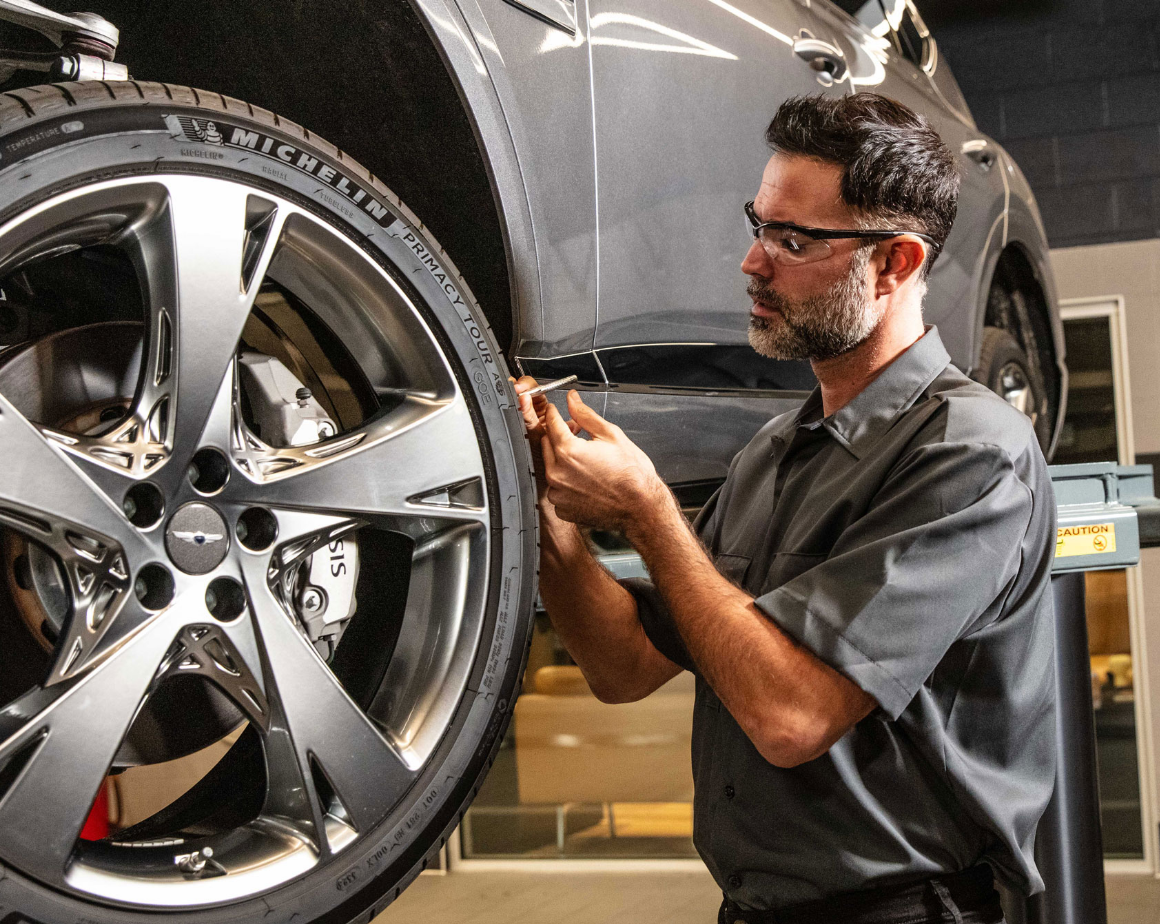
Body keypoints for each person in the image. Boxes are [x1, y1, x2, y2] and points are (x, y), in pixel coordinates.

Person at [515, 93, 1056, 924]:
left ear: (897, 263)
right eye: (758, 224)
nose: (751, 262)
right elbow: (624, 667)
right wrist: (541, 500)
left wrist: (650, 513)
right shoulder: (772, 453)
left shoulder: (970, 455)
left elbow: (792, 717)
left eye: (793, 239)